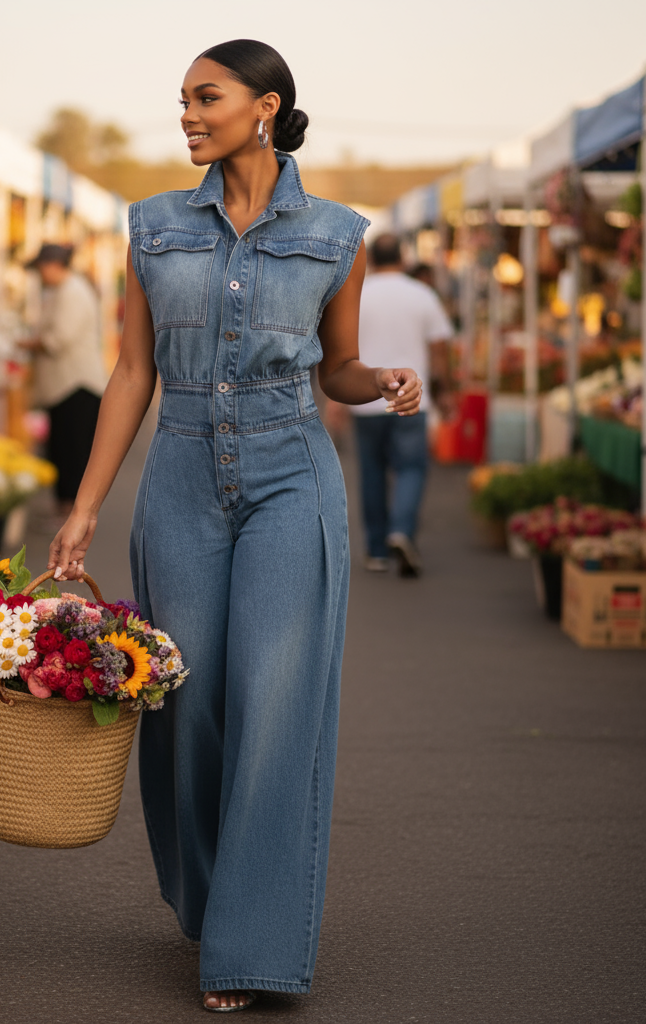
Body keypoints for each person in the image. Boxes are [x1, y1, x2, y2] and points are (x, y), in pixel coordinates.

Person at [47, 40, 422, 1013]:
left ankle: (249, 948)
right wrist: (84, 506)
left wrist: (377, 381)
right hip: (178, 478)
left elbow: (334, 367)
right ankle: (212, 905)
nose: (186, 114)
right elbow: (133, 372)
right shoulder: (153, 226)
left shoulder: (339, 232)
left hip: (289, 476)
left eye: (203, 98)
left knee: (272, 704)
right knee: (186, 701)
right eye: (181, 100)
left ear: (265, 106)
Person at [353, 233, 454, 577]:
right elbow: (439, 349)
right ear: (403, 256)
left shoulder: (357, 295)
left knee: (371, 472)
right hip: (412, 397)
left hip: (365, 398)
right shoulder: (422, 294)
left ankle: (377, 550)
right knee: (410, 467)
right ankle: (401, 530)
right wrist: (444, 391)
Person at [26, 243, 109, 516]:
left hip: (75, 386)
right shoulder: (67, 290)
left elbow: (57, 340)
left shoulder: (72, 292)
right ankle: (67, 511)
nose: (40, 274)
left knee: (71, 453)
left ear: (52, 265)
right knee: (67, 451)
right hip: (69, 385)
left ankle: (70, 514)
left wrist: (27, 343)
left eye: (41, 268)